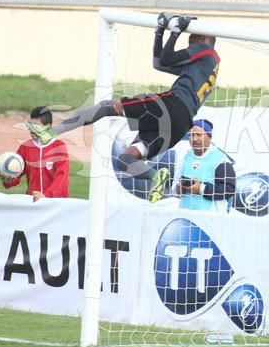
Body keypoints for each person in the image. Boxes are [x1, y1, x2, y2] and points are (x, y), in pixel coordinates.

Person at [27, 12, 220, 203]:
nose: (188, 43)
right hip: (180, 125)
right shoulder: (204, 64)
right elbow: (160, 63)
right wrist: (160, 31)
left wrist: (176, 31)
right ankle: (156, 177)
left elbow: (168, 57)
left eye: (190, 38)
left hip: (171, 106)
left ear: (202, 38)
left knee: (107, 107)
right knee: (126, 159)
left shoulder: (206, 49)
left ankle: (51, 132)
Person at [0, 106, 70, 201]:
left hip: (56, 203)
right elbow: (16, 175)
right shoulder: (25, 148)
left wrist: (46, 196)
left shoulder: (59, 147)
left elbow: (62, 179)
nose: (32, 130)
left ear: (48, 126)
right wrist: (8, 179)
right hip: (33, 203)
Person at [173, 119, 236, 212]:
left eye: (199, 135)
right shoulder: (186, 158)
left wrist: (201, 189)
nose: (194, 139)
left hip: (210, 220)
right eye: (191, 135)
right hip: (185, 216)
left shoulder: (221, 160)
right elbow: (174, 185)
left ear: (209, 137)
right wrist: (178, 189)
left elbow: (229, 189)